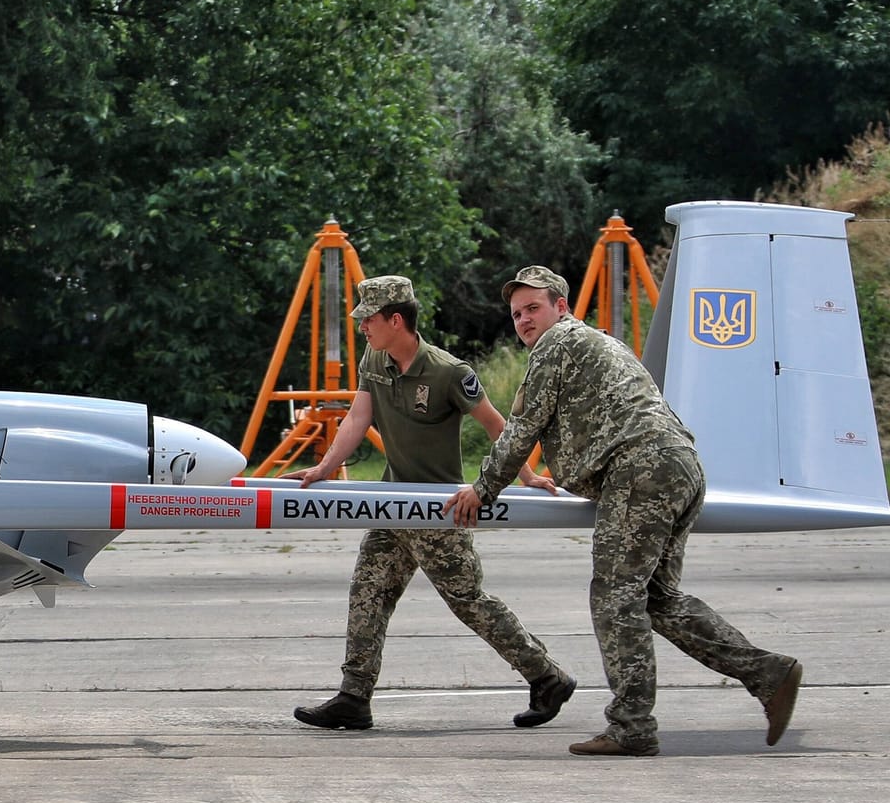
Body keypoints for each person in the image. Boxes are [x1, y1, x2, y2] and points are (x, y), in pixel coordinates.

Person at [443, 266, 803, 757]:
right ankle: (768, 673)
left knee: (614, 596)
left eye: (533, 308)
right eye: (517, 314)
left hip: (640, 471)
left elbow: (523, 428)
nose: (525, 320)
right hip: (676, 466)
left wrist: (481, 490)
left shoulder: (558, 344)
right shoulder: (600, 344)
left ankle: (632, 726)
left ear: (561, 307)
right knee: (656, 599)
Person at [291, 275, 577, 732]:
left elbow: (495, 423)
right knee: (369, 592)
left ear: (396, 320)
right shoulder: (375, 358)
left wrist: (526, 475)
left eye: (369, 320)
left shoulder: (449, 371)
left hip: (437, 511)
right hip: (391, 505)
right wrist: (323, 469)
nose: (363, 328)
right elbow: (357, 417)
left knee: (468, 601)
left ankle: (547, 676)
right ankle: (353, 697)